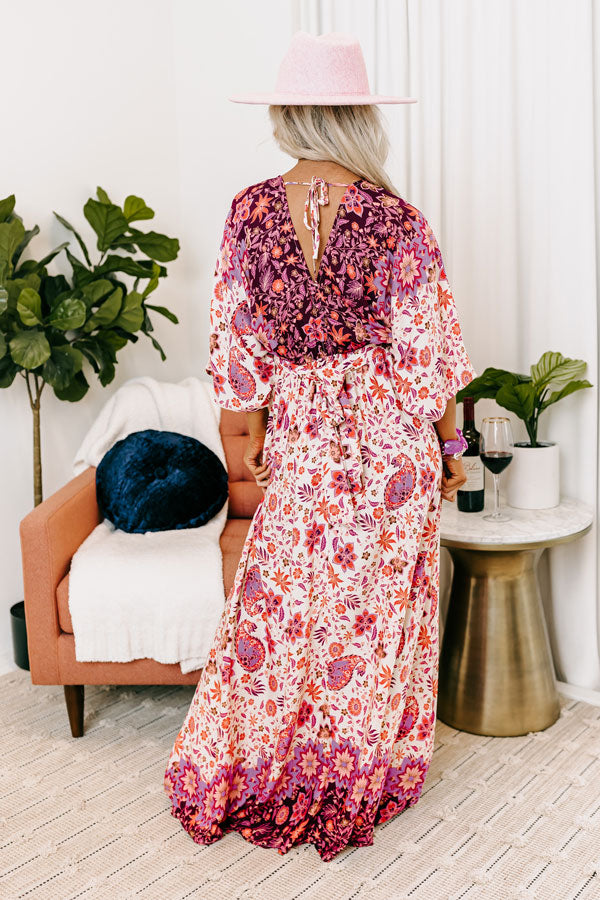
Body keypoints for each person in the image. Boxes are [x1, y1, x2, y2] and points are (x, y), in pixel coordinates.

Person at [163, 30, 475, 862]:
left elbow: (236, 349)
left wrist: (258, 433)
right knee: (375, 613)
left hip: (302, 438)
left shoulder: (248, 211)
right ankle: (357, 767)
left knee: (286, 604)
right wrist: (453, 447)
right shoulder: (398, 220)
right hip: (388, 443)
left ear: (288, 116)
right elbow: (429, 358)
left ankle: (272, 756)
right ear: (358, 118)